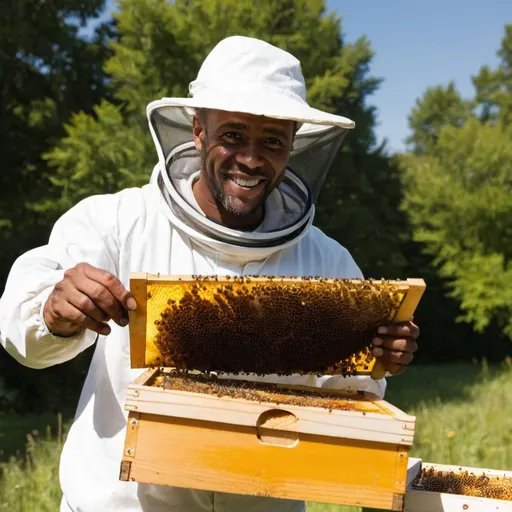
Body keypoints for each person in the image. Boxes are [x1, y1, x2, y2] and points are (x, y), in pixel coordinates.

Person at [0, 36, 419, 512]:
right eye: (233, 135)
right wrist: (54, 311)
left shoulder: (330, 260)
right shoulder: (115, 222)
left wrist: (376, 354)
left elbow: (346, 400)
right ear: (198, 131)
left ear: (293, 147)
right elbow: (23, 336)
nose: (251, 159)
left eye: (273, 142)